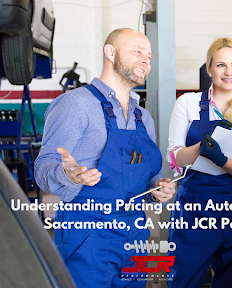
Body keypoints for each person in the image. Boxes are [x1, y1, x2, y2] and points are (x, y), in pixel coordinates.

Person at [35, 28, 176, 288]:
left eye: (149, 56)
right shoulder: (75, 104)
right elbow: (43, 167)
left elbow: (149, 175)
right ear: (110, 52)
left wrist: (158, 188)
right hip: (88, 235)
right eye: (137, 51)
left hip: (136, 233)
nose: (146, 60)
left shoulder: (142, 118)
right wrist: (66, 174)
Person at [166, 37, 232, 288]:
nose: (228, 72)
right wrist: (201, 148)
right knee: (183, 280)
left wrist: (221, 159)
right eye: (220, 65)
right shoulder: (187, 104)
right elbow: (175, 157)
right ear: (209, 69)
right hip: (195, 210)